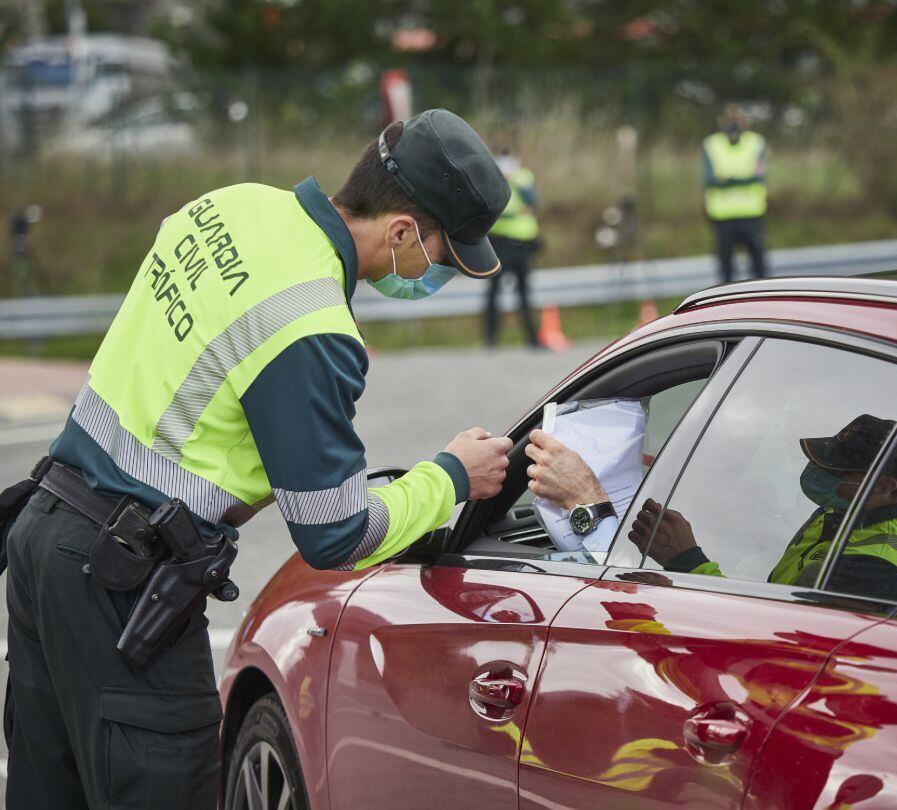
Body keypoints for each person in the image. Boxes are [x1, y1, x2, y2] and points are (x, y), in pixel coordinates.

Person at [2, 109, 513, 809]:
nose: (436, 275)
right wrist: (451, 476)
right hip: (124, 585)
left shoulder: (232, 206)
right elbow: (335, 534)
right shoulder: (312, 323)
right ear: (400, 232)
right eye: (443, 258)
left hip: (44, 535)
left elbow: (194, 389)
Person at [526, 414, 897, 603]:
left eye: (832, 470)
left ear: (884, 486)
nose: (815, 473)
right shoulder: (850, 512)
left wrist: (687, 562)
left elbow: (776, 639)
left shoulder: (875, 568)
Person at [701, 104, 768, 284]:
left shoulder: (756, 143)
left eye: (738, 119)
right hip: (722, 216)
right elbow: (708, 179)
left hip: (752, 214)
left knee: (759, 268)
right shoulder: (711, 144)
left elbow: (760, 176)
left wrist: (727, 180)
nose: (734, 124)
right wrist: (743, 179)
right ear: (721, 122)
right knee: (726, 270)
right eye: (729, 120)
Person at [484, 147, 541, 348]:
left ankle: (532, 339)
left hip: (522, 243)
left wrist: (513, 179)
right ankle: (490, 339)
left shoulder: (523, 176)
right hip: (499, 242)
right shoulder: (490, 177)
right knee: (493, 292)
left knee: (524, 292)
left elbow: (532, 200)